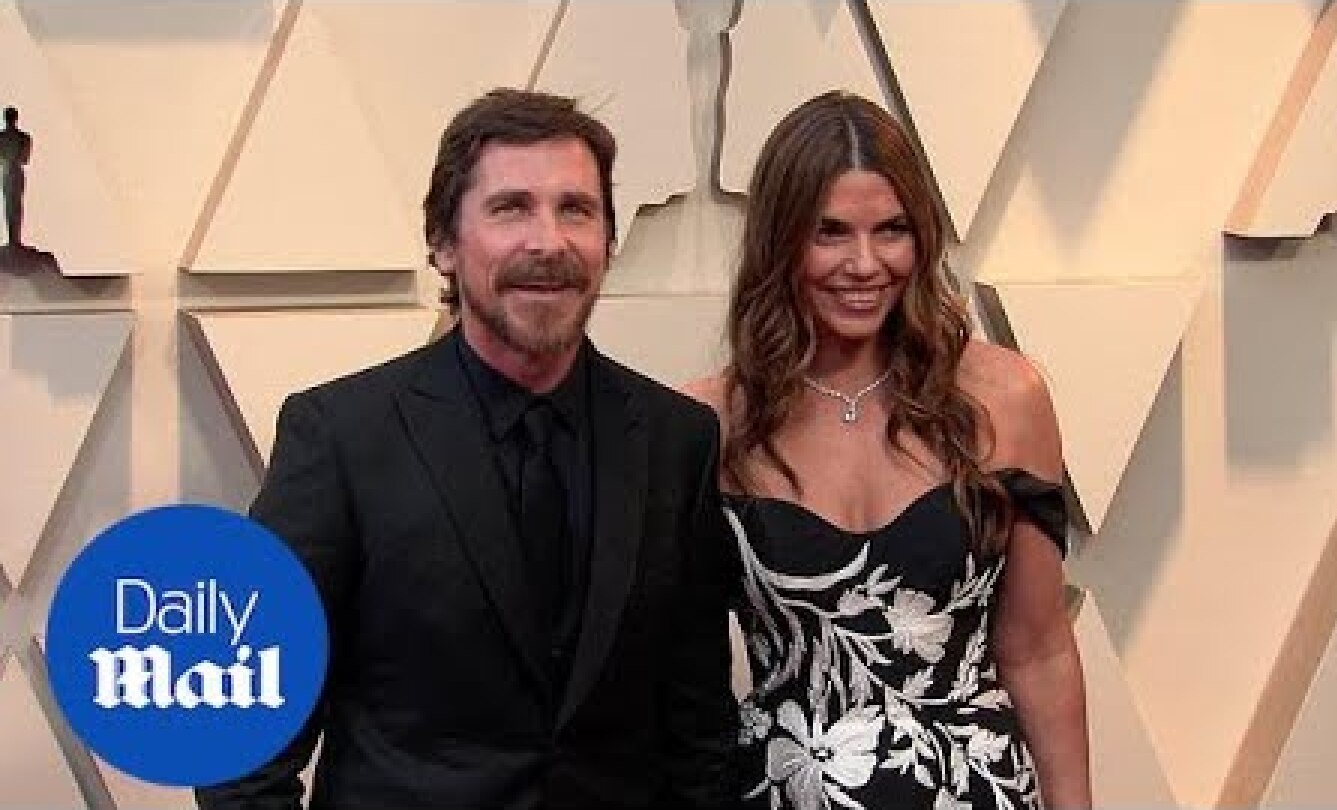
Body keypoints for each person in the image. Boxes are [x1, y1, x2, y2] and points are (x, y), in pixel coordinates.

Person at [196, 88, 739, 810]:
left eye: (575, 209)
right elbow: (242, 746)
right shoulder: (340, 438)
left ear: (609, 240)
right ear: (444, 243)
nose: (547, 242)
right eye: (511, 207)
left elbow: (699, 735)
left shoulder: (678, 440)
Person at [685, 92, 1091, 809]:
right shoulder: (707, 422)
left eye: (892, 230)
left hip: (977, 791)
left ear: (923, 237)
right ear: (780, 241)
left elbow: (1039, 649)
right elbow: (681, 682)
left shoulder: (1007, 398)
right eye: (831, 232)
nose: (864, 263)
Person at [0, 106, 32, 246]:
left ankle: (15, 239)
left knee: (12, 204)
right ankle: (14, 239)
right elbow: (24, 159)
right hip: (12, 171)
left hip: (10, 171)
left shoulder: (23, 137)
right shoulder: (24, 138)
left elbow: (25, 159)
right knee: (14, 204)